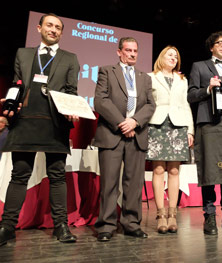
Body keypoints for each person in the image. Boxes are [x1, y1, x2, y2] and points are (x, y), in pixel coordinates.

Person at [0, 13, 80, 247]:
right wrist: (10, 108)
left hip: (55, 124)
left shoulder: (70, 58)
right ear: (39, 28)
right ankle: (6, 227)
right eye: (49, 25)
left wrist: (71, 108)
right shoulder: (23, 54)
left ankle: (61, 226)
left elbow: (71, 90)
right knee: (19, 175)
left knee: (56, 176)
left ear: (61, 33)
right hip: (25, 122)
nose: (53, 30)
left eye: (57, 27)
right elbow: (17, 84)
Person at [93, 37, 155, 241]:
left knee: (134, 183)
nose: (132, 54)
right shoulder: (106, 71)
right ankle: (106, 225)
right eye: (128, 50)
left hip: (136, 135)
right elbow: (100, 100)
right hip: (112, 133)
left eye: (135, 50)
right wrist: (123, 123)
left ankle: (131, 223)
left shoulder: (144, 77)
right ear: (119, 52)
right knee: (109, 182)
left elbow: (150, 105)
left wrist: (135, 122)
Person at [187, 31, 222, 235]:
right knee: (211, 170)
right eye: (219, 43)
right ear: (211, 47)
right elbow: (191, 95)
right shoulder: (200, 66)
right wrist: (208, 89)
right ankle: (209, 216)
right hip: (209, 124)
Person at [147, 46, 194, 234]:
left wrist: (190, 130)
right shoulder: (150, 77)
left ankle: (172, 215)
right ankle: (160, 215)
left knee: (174, 170)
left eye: (176, 56)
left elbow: (185, 104)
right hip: (157, 125)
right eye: (170, 55)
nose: (173, 58)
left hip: (178, 125)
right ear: (162, 57)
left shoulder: (182, 79)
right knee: (158, 169)